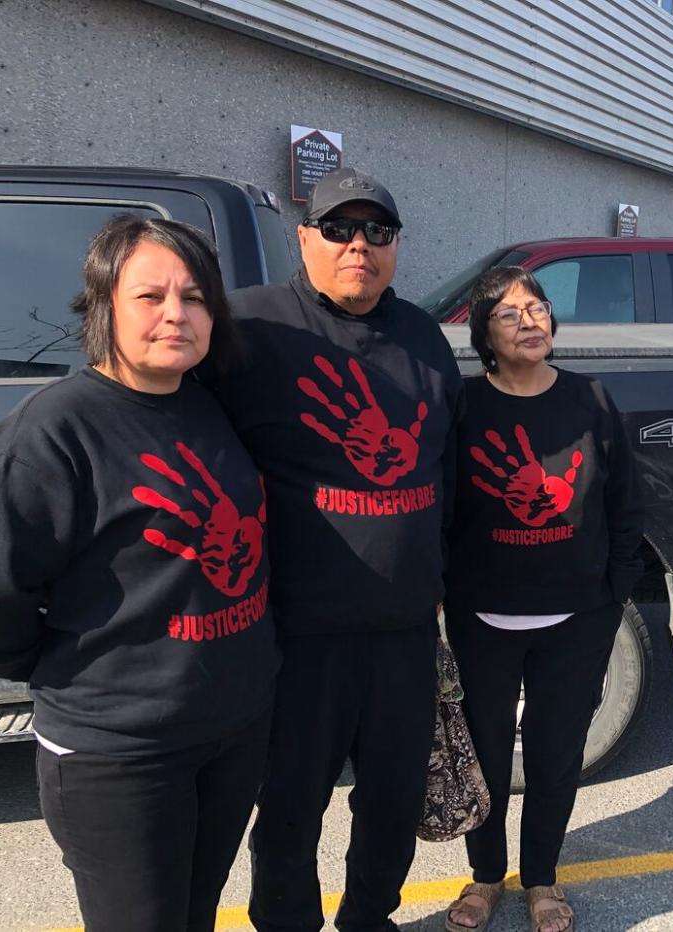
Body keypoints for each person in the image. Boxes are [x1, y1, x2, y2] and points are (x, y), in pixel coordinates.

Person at [0, 215, 278, 931]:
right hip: (117, 753)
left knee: (196, 914)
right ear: (104, 308)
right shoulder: (56, 429)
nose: (176, 315)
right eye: (150, 297)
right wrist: (71, 668)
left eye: (194, 297)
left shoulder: (209, 405)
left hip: (230, 730)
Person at [205, 167, 464, 932]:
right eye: (340, 229)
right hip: (295, 636)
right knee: (289, 806)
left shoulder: (422, 336)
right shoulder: (251, 328)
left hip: (403, 635)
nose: (360, 245)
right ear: (304, 238)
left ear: (395, 246)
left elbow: (445, 466)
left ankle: (369, 919)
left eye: (377, 231)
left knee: (390, 803)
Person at [442, 267, 643, 932]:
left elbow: (624, 506)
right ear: (486, 335)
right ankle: (483, 877)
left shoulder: (592, 400)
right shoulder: (463, 405)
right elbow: (438, 508)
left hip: (576, 619)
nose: (529, 321)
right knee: (488, 758)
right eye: (509, 314)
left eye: (538, 309)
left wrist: (613, 595)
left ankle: (543, 879)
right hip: (481, 617)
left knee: (556, 759)